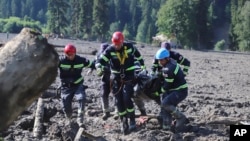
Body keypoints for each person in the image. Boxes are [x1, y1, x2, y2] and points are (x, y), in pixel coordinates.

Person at [95, 31, 146, 135]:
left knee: (127, 98)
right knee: (118, 101)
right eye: (115, 44)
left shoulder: (130, 47)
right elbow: (100, 61)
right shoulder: (110, 50)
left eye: (118, 44)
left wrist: (142, 65)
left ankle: (132, 120)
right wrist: (99, 67)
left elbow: (139, 56)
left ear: (122, 42)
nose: (116, 46)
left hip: (128, 77)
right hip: (116, 78)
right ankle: (124, 121)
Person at [58, 43, 95, 126]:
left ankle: (80, 120)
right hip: (66, 86)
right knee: (66, 108)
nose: (70, 56)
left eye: (72, 54)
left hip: (78, 84)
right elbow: (50, 66)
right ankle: (69, 119)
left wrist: (92, 69)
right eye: (68, 55)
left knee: (82, 98)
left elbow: (93, 64)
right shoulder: (60, 61)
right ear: (65, 54)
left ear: (75, 53)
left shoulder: (81, 60)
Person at [154, 48, 189, 132]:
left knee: (165, 103)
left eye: (161, 60)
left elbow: (166, 86)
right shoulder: (169, 63)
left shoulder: (169, 68)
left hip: (180, 91)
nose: (160, 62)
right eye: (159, 60)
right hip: (174, 89)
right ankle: (166, 126)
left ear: (167, 58)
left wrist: (157, 92)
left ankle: (180, 117)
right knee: (164, 104)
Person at [95, 43, 112, 120]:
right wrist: (92, 69)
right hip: (105, 77)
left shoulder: (112, 55)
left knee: (117, 95)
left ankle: (119, 112)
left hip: (114, 77)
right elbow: (96, 63)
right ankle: (106, 112)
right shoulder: (99, 55)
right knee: (103, 94)